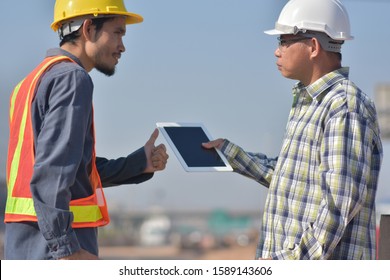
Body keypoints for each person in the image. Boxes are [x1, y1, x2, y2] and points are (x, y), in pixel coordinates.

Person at [203, 0, 383, 259]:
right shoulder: (310, 103)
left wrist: (288, 264)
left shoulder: (344, 106)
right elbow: (293, 180)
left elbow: (338, 205)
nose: (278, 51)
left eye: (284, 41)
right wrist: (229, 153)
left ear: (313, 46)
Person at [4, 0, 169, 260]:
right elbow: (53, 172)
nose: (123, 46)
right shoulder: (73, 78)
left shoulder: (29, 83)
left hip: (25, 247)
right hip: (55, 252)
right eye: (118, 33)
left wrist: (139, 164)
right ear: (89, 28)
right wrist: (67, 251)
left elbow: (72, 172)